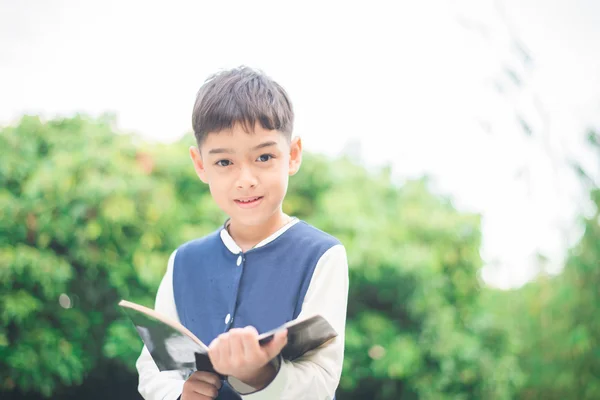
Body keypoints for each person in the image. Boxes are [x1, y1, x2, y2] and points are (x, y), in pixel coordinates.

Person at [135, 66, 349, 400]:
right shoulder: (183, 262)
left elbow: (321, 381)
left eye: (264, 156)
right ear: (200, 164)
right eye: (224, 162)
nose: (245, 178)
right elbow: (153, 368)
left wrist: (259, 374)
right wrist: (180, 395)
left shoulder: (322, 255)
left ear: (292, 155)